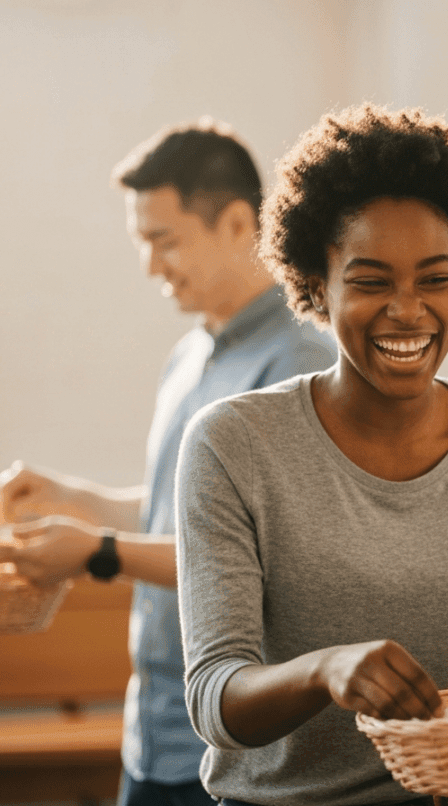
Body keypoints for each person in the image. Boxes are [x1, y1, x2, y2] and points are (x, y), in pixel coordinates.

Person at [175, 103, 448, 806]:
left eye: (435, 279)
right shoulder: (233, 442)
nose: (408, 310)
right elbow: (214, 698)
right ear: (316, 285)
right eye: (371, 281)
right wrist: (325, 671)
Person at [0, 122, 336, 806]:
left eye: (164, 240)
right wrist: (71, 496)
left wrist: (96, 551)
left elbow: (262, 558)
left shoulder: (298, 363)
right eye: (143, 242)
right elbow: (177, 515)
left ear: (237, 223)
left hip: (234, 745)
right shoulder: (189, 357)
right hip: (152, 732)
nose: (151, 266)